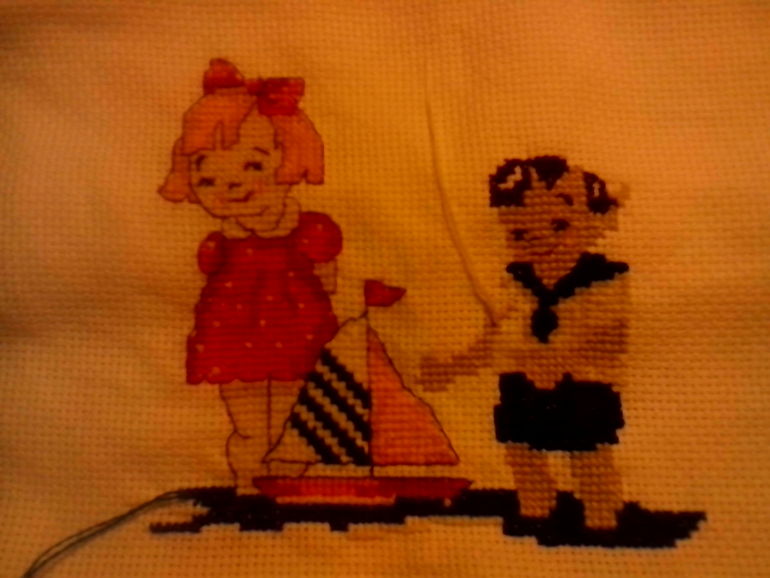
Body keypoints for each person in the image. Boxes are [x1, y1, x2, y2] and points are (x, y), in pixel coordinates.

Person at [159, 59, 341, 493]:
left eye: (254, 167)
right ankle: (249, 486)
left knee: (291, 423)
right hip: (233, 341)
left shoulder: (309, 232)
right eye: (206, 177)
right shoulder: (221, 246)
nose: (228, 186)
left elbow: (329, 280)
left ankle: (283, 489)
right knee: (250, 427)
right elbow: (328, 282)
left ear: (290, 158)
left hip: (296, 337)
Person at [422, 155, 629, 530]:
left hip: (583, 387)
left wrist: (562, 361)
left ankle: (601, 510)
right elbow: (498, 337)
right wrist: (453, 367)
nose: (539, 240)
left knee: (587, 451)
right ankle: (536, 504)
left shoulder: (602, 280)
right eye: (519, 234)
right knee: (521, 449)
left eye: (558, 225)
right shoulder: (517, 282)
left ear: (595, 220)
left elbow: (611, 338)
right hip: (522, 386)